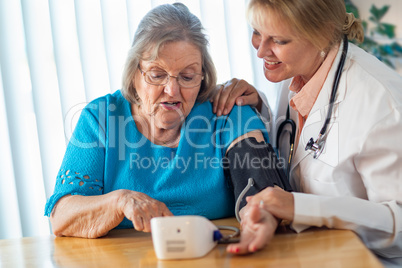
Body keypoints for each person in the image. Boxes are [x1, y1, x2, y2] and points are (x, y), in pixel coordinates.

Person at [44, 3, 270, 238]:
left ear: (203, 77)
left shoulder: (225, 111)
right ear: (134, 75)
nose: (172, 90)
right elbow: (61, 217)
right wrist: (120, 201)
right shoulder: (101, 118)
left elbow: (264, 194)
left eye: (187, 76)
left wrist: (259, 221)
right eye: (157, 74)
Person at [213, 0, 402, 265]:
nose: (261, 51)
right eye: (256, 32)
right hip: (310, 252)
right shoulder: (298, 71)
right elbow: (304, 151)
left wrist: (299, 207)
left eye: (278, 40)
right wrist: (258, 108)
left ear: (322, 34)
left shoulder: (383, 103)